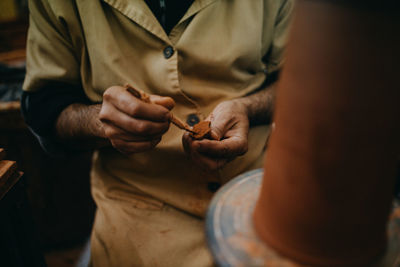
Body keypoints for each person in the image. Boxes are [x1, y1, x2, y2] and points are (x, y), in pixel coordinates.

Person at [21, 0, 294, 266]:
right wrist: (100, 122)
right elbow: (44, 107)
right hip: (139, 202)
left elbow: (300, 80)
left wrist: (248, 107)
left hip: (256, 187)